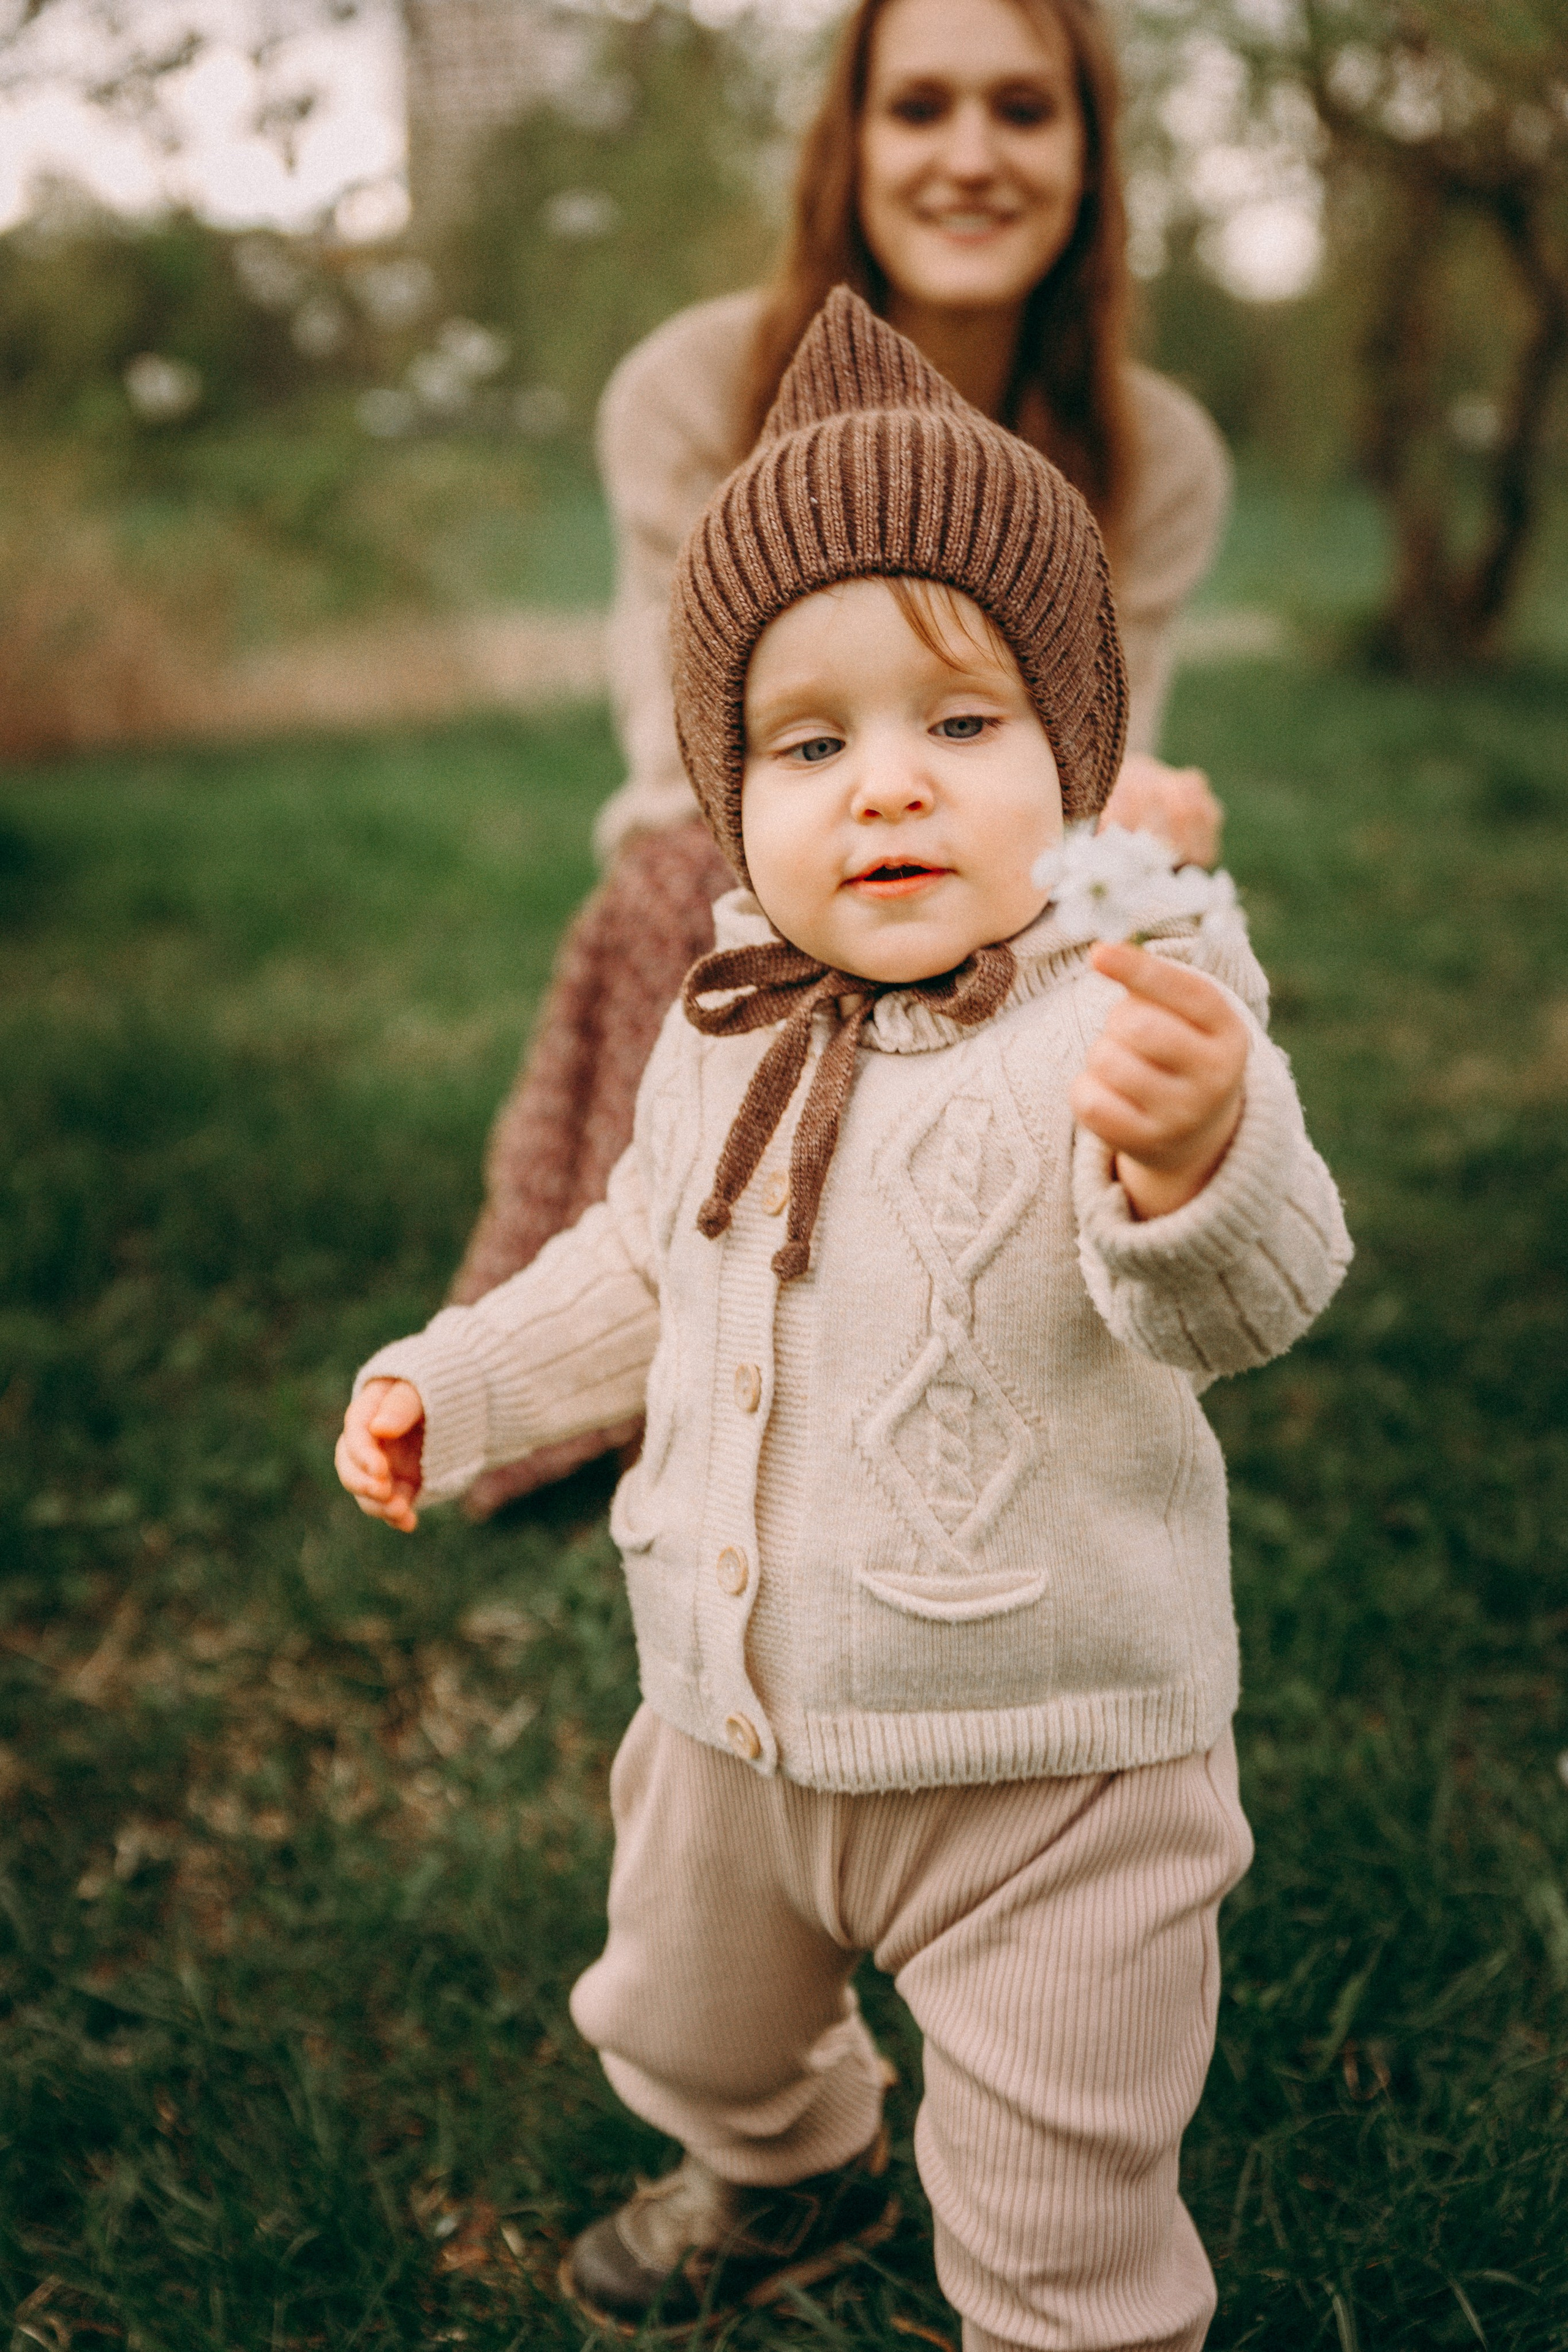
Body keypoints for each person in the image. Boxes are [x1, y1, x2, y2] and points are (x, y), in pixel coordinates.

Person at [336, 290, 1349, 2352]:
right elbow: (641, 1259)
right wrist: (463, 1378)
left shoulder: (1135, 1002)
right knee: (678, 2019)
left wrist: (1198, 1152)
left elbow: (1249, 1297)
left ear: (1076, 759)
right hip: (730, 1728)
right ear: (729, 796)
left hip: (1054, 1765)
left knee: (1059, 2183)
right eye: (810, 745)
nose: (885, 789)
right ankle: (790, 2161)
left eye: (961, 727)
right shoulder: (727, 1016)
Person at [450, 0, 1234, 1516]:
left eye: (1022, 110)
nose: (969, 156)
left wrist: (1143, 818)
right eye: (918, 107)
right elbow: (690, 754)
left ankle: (1022, 1320)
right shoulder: (691, 389)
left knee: (1125, 928)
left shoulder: (1157, 449)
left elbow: (1099, 769)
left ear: (1088, 157)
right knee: (687, 881)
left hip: (1003, 872)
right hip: (748, 848)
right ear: (848, 147)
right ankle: (654, 1329)